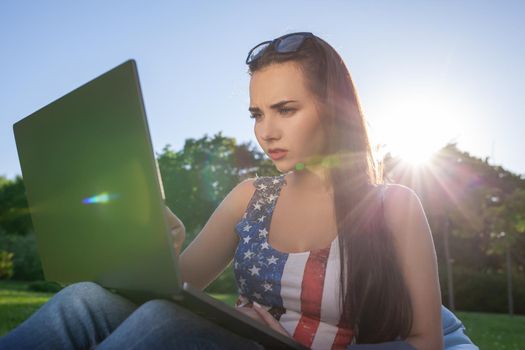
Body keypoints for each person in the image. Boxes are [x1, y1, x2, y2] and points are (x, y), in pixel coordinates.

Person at [0, 32, 478, 350]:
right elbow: (177, 288)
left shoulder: (391, 205)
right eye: (257, 114)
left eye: (285, 110)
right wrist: (152, 247)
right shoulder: (251, 196)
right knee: (84, 300)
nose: (266, 132)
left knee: (165, 328)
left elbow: (423, 342)